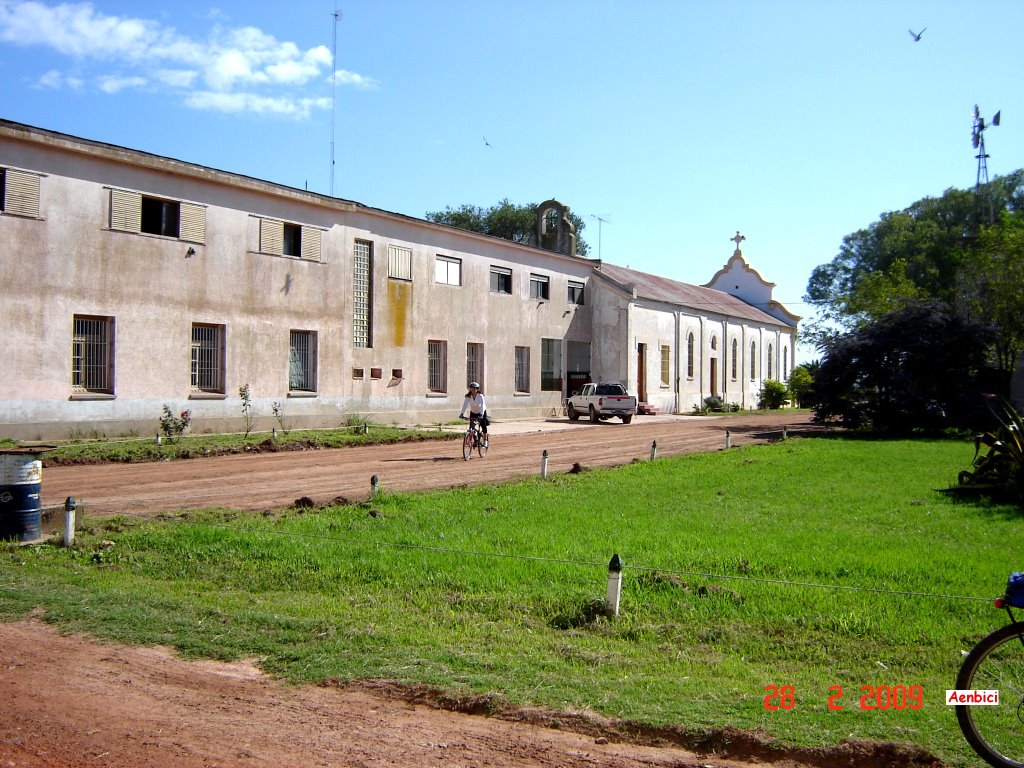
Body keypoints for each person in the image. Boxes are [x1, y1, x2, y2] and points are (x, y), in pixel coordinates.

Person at [459, 381, 489, 447]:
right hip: (473, 412)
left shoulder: (480, 396)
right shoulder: (468, 396)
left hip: (481, 412)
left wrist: (481, 414)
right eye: (472, 388)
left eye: (475, 388)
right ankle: (470, 441)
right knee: (471, 427)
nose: (473, 390)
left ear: (477, 389)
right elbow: (465, 405)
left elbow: (482, 405)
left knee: (483, 425)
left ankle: (485, 440)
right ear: (470, 389)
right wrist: (462, 413)